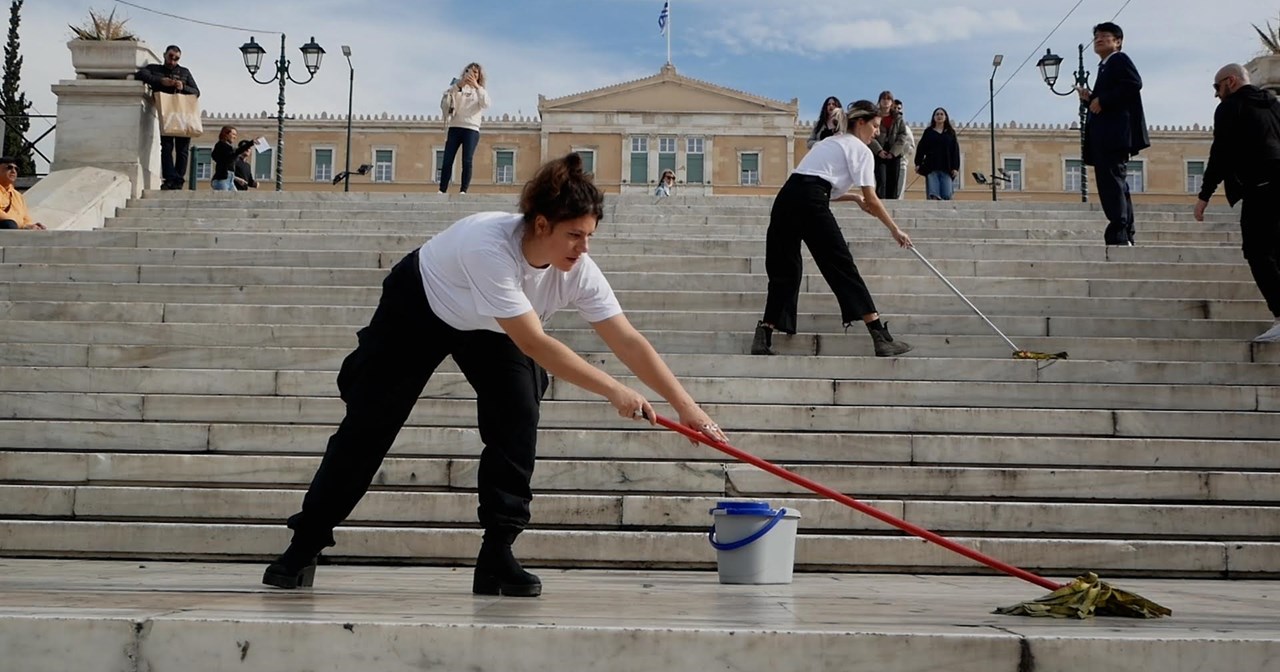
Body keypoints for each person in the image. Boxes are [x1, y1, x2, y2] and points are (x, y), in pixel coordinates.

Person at [263, 153, 728, 597]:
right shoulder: (490, 246)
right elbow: (535, 343)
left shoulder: (577, 270)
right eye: (574, 235)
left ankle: (497, 553)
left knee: (518, 412)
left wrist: (688, 408)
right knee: (371, 422)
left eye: (589, 236)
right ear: (541, 224)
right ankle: (303, 546)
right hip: (423, 303)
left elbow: (627, 340)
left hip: (493, 327)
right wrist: (612, 389)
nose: (584, 248)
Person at [752, 102, 914, 358]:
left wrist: (852, 199)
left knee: (785, 270)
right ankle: (880, 336)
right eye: (874, 126)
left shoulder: (829, 142)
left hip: (786, 198)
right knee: (840, 264)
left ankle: (764, 334)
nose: (876, 133)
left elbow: (812, 182)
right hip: (810, 199)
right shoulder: (861, 150)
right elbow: (870, 198)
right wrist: (895, 230)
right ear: (860, 123)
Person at [1194, 64, 1280, 343]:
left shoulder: (1230, 108)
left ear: (1230, 82)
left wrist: (1204, 195)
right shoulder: (1274, 104)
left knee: (1257, 252)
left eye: (1216, 88)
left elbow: (1221, 152)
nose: (1216, 95)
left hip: (1262, 189)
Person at [1078, 22, 1149, 246]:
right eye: (1096, 36)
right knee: (1117, 183)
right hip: (1109, 135)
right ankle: (1126, 231)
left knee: (1111, 184)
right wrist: (1091, 99)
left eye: (1105, 36)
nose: (1098, 39)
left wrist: (1102, 100)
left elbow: (1134, 83)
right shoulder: (1104, 66)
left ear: (1117, 41)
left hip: (1112, 136)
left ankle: (1119, 230)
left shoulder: (1118, 59)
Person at [135, 45, 200, 190]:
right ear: (165, 55)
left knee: (182, 148)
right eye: (171, 56)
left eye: (176, 58)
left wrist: (183, 86)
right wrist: (161, 81)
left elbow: (196, 91)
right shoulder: (155, 69)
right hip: (165, 111)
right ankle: (169, 178)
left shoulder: (184, 72)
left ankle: (179, 179)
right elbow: (139, 75)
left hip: (183, 113)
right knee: (166, 146)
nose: (173, 60)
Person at [438, 63, 491, 194]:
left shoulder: (481, 91)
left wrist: (477, 87)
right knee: (447, 159)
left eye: (475, 73)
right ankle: (442, 189)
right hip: (455, 127)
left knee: (467, 160)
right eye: (469, 72)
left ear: (479, 76)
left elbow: (486, 103)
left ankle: (463, 190)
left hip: (471, 129)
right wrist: (459, 85)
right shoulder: (456, 87)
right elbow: (446, 99)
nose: (472, 75)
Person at [914, 107, 961, 200]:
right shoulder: (928, 132)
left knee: (947, 195)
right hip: (931, 167)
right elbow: (921, 148)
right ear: (934, 117)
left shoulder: (950, 133)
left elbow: (955, 151)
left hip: (946, 168)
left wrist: (955, 167)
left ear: (945, 117)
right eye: (937, 114)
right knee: (934, 194)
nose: (939, 116)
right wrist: (918, 163)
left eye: (941, 114)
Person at [869, 91, 908, 200]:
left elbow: (902, 135)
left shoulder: (898, 118)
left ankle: (892, 204)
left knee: (893, 181)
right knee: (881, 179)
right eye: (883, 99)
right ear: (879, 101)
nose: (886, 101)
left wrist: (893, 152)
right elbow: (870, 135)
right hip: (879, 153)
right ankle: (880, 204)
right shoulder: (874, 117)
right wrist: (879, 151)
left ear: (891, 102)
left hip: (894, 153)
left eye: (888, 99)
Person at [0, 156, 44, 230]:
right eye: (9, 167)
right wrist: (19, 224)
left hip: (14, 230)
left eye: (16, 169)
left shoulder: (18, 196)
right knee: (9, 224)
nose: (13, 171)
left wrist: (31, 226)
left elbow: (25, 218)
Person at [894, 99, 915, 199]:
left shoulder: (906, 129)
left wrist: (902, 151)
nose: (897, 110)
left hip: (900, 162)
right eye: (895, 108)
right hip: (884, 163)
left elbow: (911, 147)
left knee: (899, 191)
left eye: (899, 109)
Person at [209, 126, 240, 192]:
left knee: (236, 199)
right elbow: (228, 157)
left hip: (230, 179)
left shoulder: (229, 147)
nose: (235, 137)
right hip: (222, 180)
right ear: (226, 134)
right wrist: (249, 144)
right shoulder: (221, 145)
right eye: (233, 134)